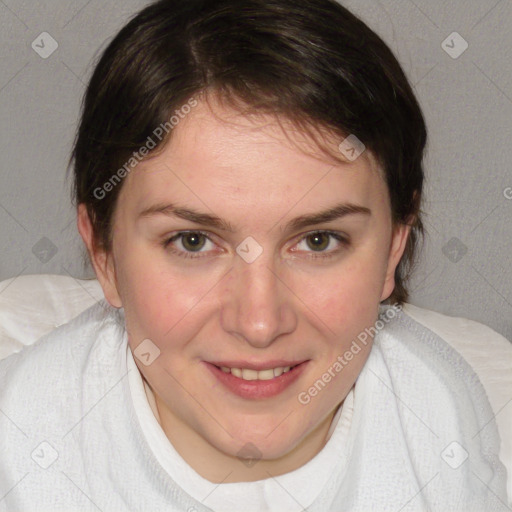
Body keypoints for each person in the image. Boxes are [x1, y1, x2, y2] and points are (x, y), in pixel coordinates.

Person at [0, 0, 507, 510]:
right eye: (192, 241)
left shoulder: (440, 417)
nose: (260, 323)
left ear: (395, 244)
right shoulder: (20, 448)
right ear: (104, 255)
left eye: (318, 241)